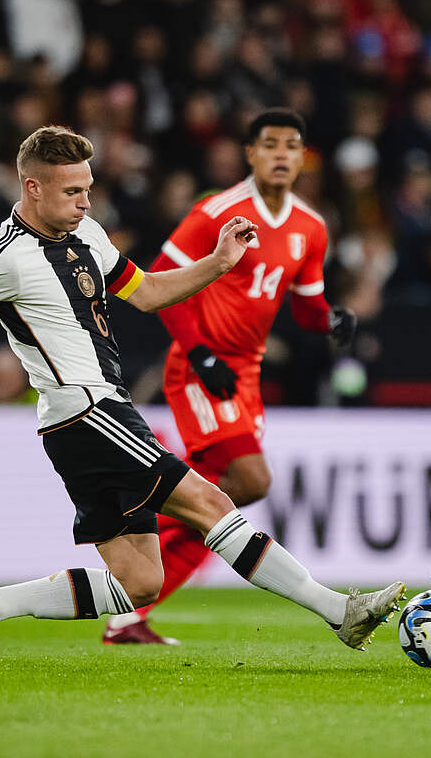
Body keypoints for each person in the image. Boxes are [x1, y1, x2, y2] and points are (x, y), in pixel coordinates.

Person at [0, 125, 404, 665]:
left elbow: (151, 293)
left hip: (79, 423)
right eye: (72, 191)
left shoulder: (86, 232)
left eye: (89, 187)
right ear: (32, 188)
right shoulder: (3, 256)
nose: (86, 202)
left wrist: (218, 262)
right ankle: (340, 611)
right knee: (213, 506)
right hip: (87, 412)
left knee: (139, 582)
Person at [102, 108, 358, 644]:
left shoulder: (310, 228)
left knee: (223, 498)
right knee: (250, 482)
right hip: (200, 367)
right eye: (270, 144)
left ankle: (128, 610)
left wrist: (331, 318)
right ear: (250, 154)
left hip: (245, 373)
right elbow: (159, 284)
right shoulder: (216, 212)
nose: (282, 154)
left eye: (293, 145)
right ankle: (133, 551)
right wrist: (200, 354)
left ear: (303, 157)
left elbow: (307, 306)